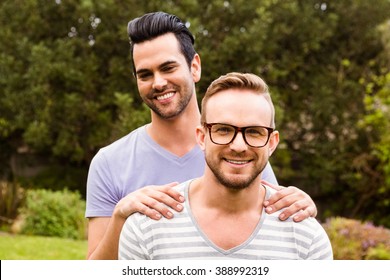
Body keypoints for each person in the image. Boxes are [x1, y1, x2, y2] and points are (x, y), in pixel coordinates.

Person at [85, 11, 318, 260]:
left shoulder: (239, 156)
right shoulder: (109, 163)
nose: (158, 83)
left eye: (168, 67)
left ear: (194, 67)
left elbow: (274, 233)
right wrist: (121, 215)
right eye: (145, 75)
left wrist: (302, 210)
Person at [118, 72, 333, 260]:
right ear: (202, 137)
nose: (238, 146)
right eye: (223, 130)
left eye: (254, 131)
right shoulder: (145, 228)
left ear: (272, 143)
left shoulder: (307, 238)